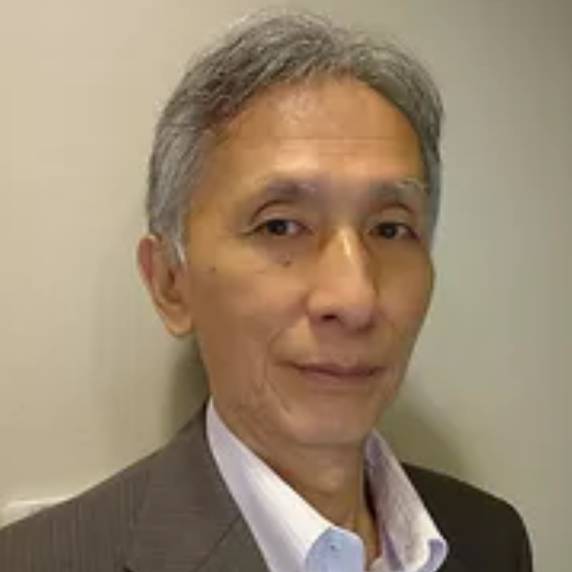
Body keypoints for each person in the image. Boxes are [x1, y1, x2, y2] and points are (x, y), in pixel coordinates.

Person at [0, 11, 533, 572]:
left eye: (390, 229)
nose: (354, 299)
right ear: (170, 282)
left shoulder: (490, 537)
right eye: (280, 225)